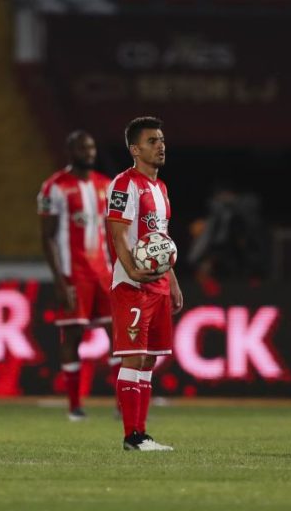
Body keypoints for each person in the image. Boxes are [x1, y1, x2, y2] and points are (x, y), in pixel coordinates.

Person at [106, 117, 183, 451]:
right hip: (132, 284)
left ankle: (142, 433)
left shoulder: (161, 188)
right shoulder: (125, 184)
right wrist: (132, 272)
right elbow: (117, 231)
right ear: (135, 149)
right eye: (153, 141)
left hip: (159, 285)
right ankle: (131, 436)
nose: (161, 145)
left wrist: (174, 283)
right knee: (133, 357)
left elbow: (161, 242)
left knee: (149, 359)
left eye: (162, 139)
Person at [37, 130, 121, 421]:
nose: (90, 152)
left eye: (92, 147)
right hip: (74, 275)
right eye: (83, 148)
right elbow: (47, 237)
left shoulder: (106, 185)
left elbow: (115, 233)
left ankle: (122, 405)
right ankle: (74, 406)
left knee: (118, 337)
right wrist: (60, 281)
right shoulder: (54, 188)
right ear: (70, 151)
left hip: (104, 273)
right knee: (72, 336)